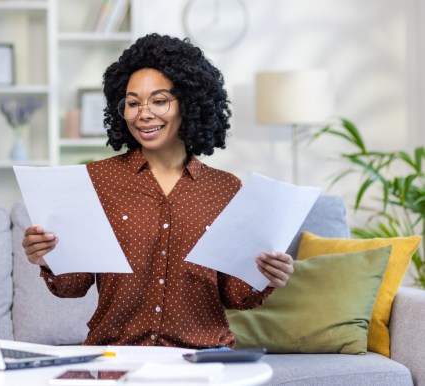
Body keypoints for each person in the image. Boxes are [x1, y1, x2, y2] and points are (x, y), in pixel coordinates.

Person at [22, 33, 294, 349]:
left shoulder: (225, 189)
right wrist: (45, 258)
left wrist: (268, 275)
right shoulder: (97, 180)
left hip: (202, 357)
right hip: (116, 355)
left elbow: (236, 294)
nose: (144, 113)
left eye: (159, 100)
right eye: (133, 103)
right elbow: (73, 285)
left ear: (189, 104)